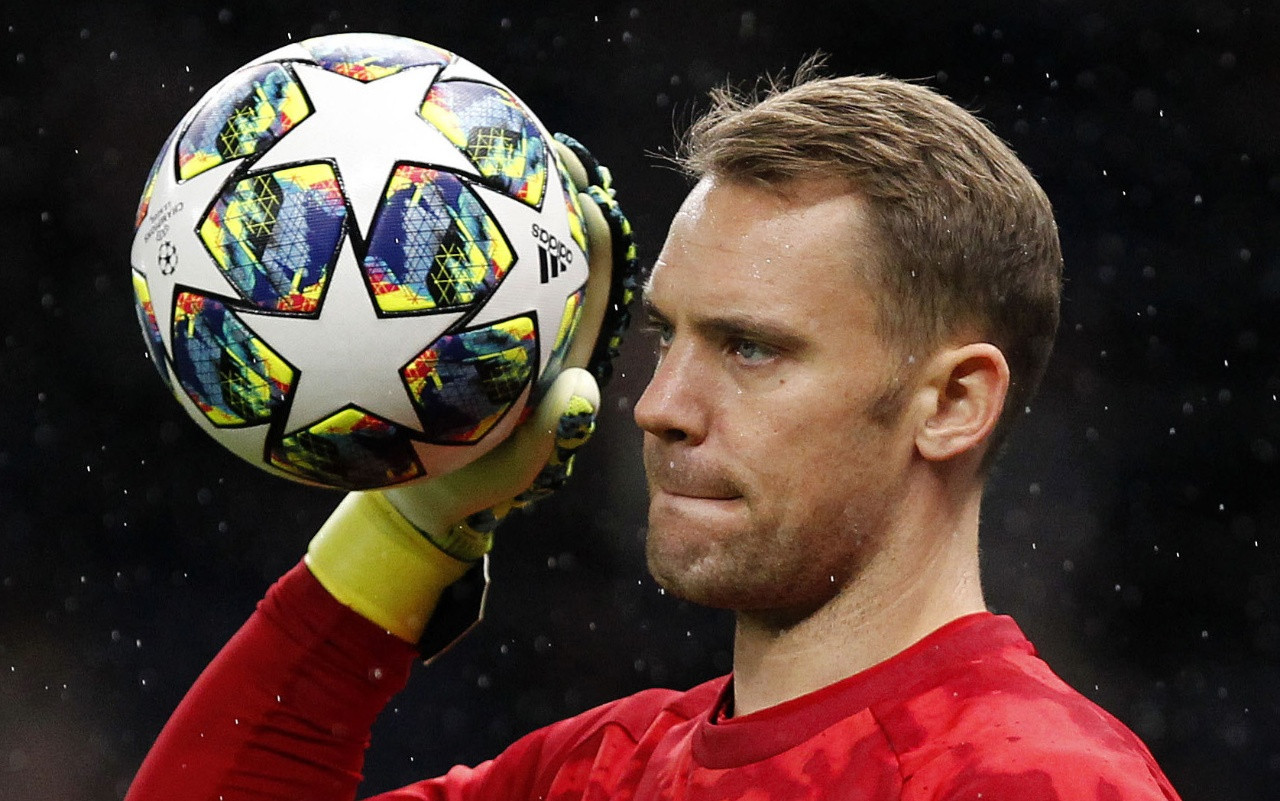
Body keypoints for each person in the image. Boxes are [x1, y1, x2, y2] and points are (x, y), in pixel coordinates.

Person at [126, 66, 1182, 800]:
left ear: (952, 404)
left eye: (750, 348)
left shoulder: (1031, 779)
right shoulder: (596, 772)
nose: (656, 403)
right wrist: (408, 530)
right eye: (664, 335)